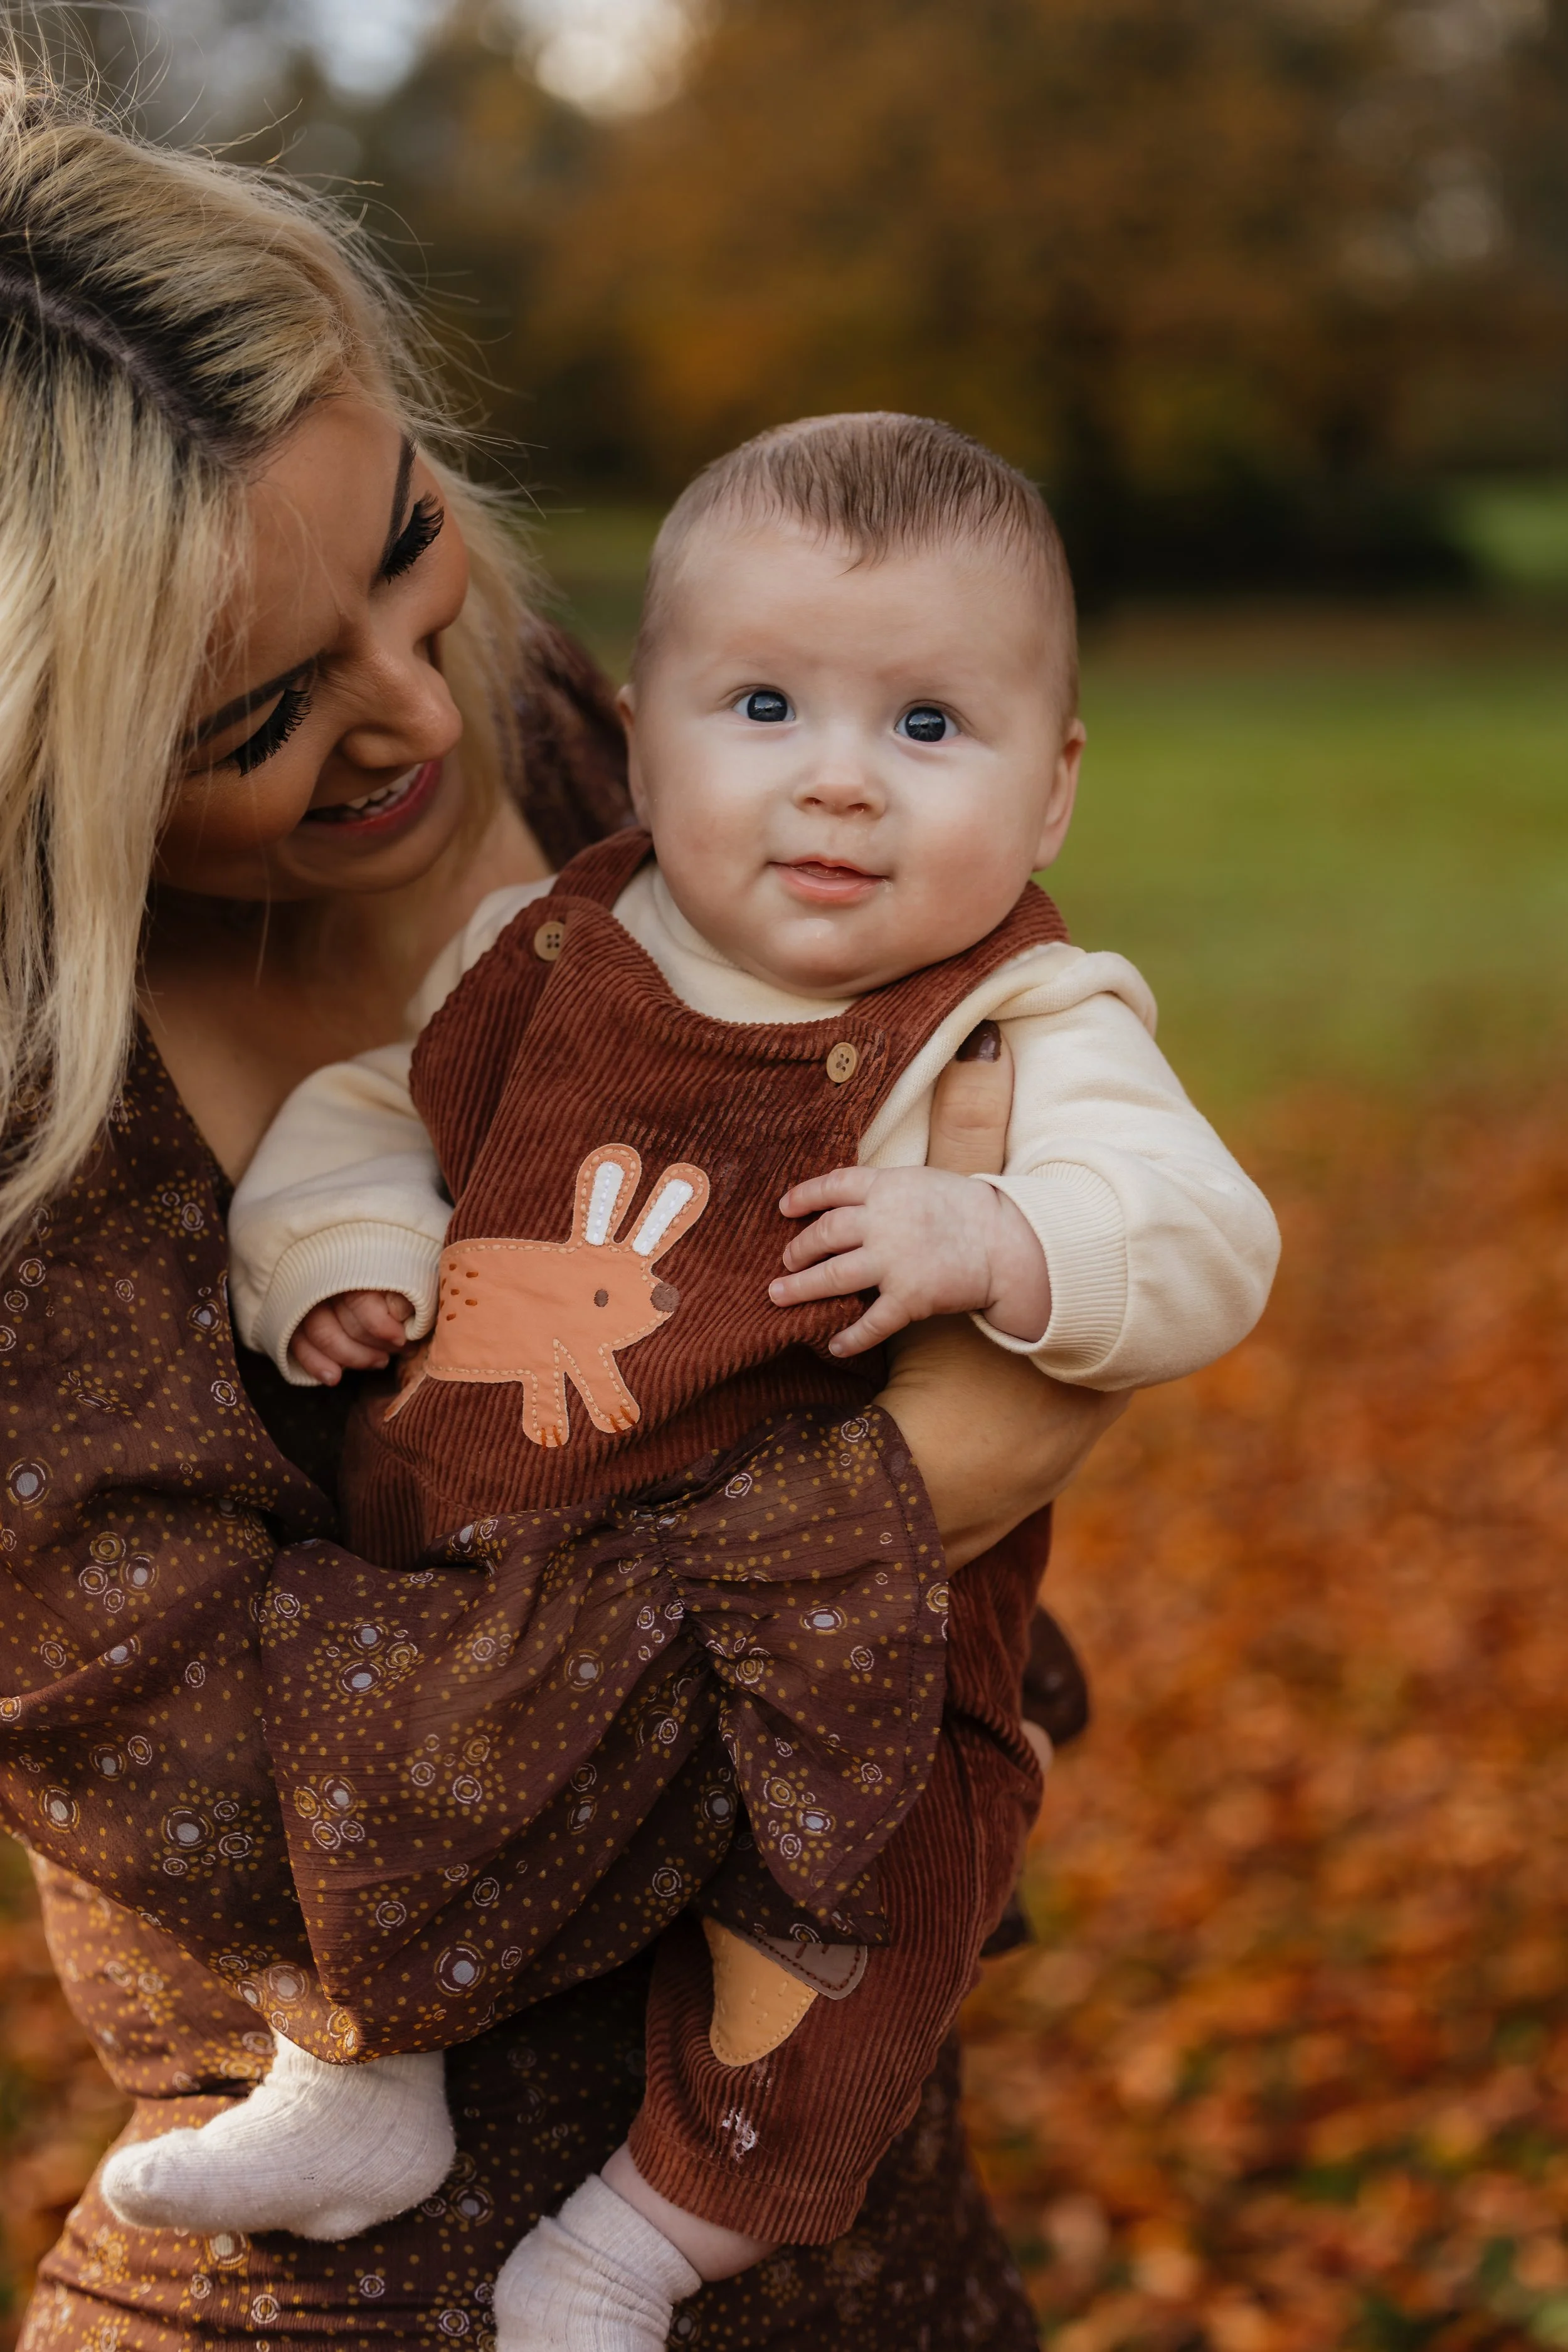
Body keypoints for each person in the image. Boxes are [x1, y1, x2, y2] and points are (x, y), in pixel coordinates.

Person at [0, 61, 1125, 2351]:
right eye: (258, 718)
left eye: (408, 546)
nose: (418, 713)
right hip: (364, 2288)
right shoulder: (44, 1111)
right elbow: (227, 1796)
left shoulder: (587, 748)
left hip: (846, 2195)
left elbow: (945, 1116)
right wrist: (897, 1497)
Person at [109, 414, 1278, 2351]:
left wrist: (1004, 1240)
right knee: (386, 1772)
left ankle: (637, 2245)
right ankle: (362, 2088)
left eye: (927, 727)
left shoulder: (1021, 1016)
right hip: (479, 1610)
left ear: (1053, 789)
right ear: (639, 731)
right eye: (763, 705)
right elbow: (368, 1116)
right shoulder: (542, 941)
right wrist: (345, 1254)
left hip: (840, 1662)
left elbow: (1206, 1231)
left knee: (837, 1955)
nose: (838, 783)